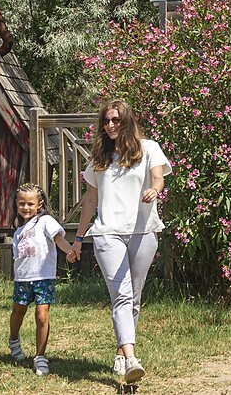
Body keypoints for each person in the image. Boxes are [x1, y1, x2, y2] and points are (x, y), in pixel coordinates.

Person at [72, 98, 171, 385]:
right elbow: (90, 200)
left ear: (127, 121)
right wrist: (78, 239)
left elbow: (158, 178)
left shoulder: (148, 148)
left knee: (134, 298)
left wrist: (154, 190)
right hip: (108, 232)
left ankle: (121, 350)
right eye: (106, 121)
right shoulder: (99, 158)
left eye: (115, 120)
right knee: (122, 295)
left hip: (143, 231)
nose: (110, 125)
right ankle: (131, 359)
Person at [8, 183, 76, 376]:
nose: (26, 207)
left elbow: (58, 239)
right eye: (21, 203)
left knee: (42, 315)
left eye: (30, 204)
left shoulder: (46, 221)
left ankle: (40, 357)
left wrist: (69, 250)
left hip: (44, 278)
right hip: (23, 279)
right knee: (18, 311)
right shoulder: (18, 232)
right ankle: (14, 340)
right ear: (16, 204)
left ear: (39, 204)